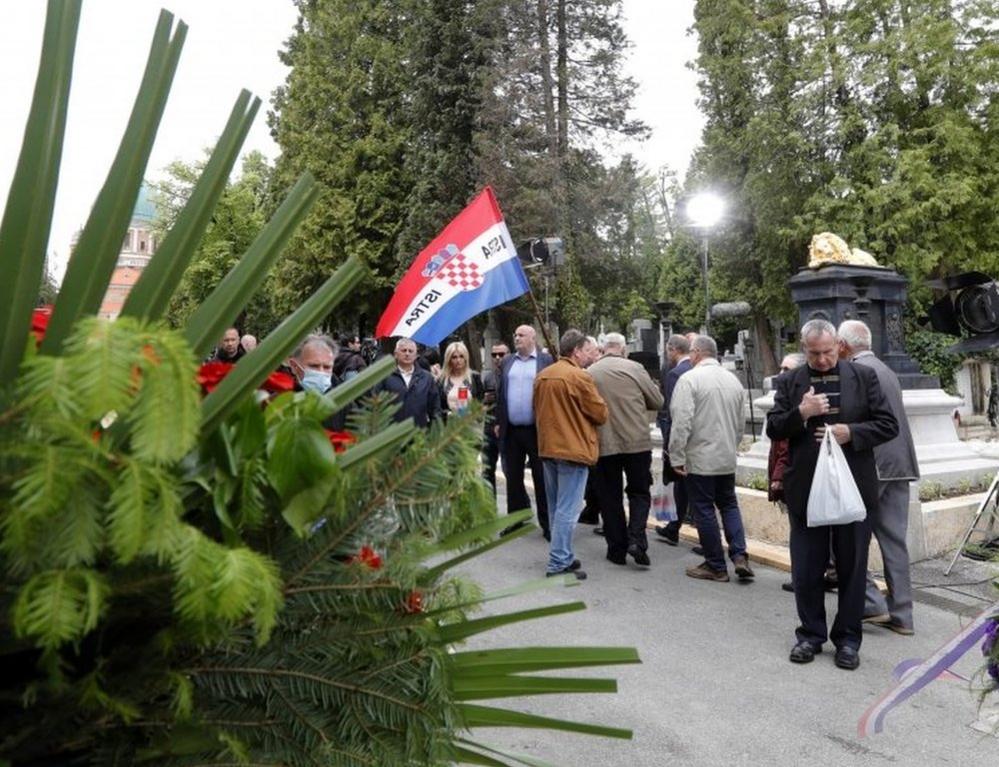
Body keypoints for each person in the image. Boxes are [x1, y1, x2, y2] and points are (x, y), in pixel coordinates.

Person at [767, 319, 898, 671]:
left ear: (838, 346)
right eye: (814, 353)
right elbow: (774, 428)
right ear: (803, 348)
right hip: (805, 489)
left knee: (852, 567)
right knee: (807, 569)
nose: (822, 360)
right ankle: (809, 635)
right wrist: (801, 413)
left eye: (827, 352)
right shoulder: (790, 381)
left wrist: (850, 432)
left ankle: (848, 640)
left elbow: (889, 424)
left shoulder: (863, 378)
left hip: (854, 487)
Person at [838, 320, 919, 636]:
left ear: (843, 346)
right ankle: (903, 614)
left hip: (873, 464)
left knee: (847, 536)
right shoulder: (886, 370)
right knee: (894, 540)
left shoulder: (858, 372)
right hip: (900, 463)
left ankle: (872, 603)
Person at [668, 335, 754, 583]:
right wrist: (732, 445)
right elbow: (740, 424)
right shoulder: (733, 381)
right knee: (728, 504)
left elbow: (681, 422)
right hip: (725, 456)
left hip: (700, 456)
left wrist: (677, 455)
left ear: (695, 353)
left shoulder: (689, 379)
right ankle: (739, 555)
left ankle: (716, 564)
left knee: (703, 508)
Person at [534, 330, 608, 580]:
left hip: (549, 448)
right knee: (568, 509)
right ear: (576, 351)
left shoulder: (543, 375)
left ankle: (563, 554)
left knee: (557, 508)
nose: (592, 355)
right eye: (588, 350)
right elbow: (600, 414)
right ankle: (557, 562)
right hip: (573, 449)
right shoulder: (579, 376)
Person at [589, 333, 664, 567]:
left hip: (605, 443)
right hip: (637, 442)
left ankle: (617, 549)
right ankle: (637, 540)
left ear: (602, 349)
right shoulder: (635, 368)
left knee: (610, 496)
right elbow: (658, 401)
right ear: (622, 349)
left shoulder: (590, 373)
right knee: (639, 492)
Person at [495, 325, 554, 539]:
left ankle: (547, 523)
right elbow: (501, 393)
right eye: (515, 334)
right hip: (511, 430)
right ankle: (516, 520)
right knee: (513, 478)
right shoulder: (508, 361)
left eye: (521, 335)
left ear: (533, 338)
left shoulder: (546, 362)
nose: (516, 338)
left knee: (541, 477)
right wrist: (498, 420)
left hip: (536, 430)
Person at [769, 353, 805, 593]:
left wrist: (778, 476)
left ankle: (802, 576)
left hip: (794, 475)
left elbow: (784, 446)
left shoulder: (797, 402)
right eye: (781, 368)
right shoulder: (787, 399)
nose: (782, 373)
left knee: (800, 532)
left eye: (787, 368)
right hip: (792, 473)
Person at [655, 334, 694, 545]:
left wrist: (669, 445)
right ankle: (673, 526)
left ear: (673, 350)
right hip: (699, 437)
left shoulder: (676, 373)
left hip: (681, 437)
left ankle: (673, 527)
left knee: (680, 483)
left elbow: (672, 411)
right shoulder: (696, 369)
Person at [372, 337, 441, 428]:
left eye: (410, 351)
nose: (407, 354)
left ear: (416, 355)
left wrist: (435, 431)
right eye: (404, 350)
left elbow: (435, 408)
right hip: (391, 433)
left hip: (419, 434)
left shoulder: (426, 378)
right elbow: (376, 406)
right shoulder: (385, 377)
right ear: (396, 354)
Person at [288, 334, 346, 429]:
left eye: (327, 367)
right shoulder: (278, 403)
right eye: (314, 366)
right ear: (294, 366)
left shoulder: (344, 401)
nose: (321, 372)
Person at [481, 342, 509, 494]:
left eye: (501, 354)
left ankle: (521, 504)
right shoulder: (487, 377)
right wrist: (484, 399)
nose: (497, 358)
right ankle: (489, 507)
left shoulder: (512, 374)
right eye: (494, 355)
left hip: (507, 429)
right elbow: (478, 403)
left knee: (509, 471)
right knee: (487, 470)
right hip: (489, 427)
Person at [437, 340, 484, 415]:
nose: (458, 360)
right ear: (449, 359)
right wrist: (448, 414)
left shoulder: (475, 377)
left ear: (466, 358)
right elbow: (437, 407)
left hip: (471, 422)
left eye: (461, 356)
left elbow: (481, 402)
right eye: (454, 357)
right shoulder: (441, 380)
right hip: (449, 423)